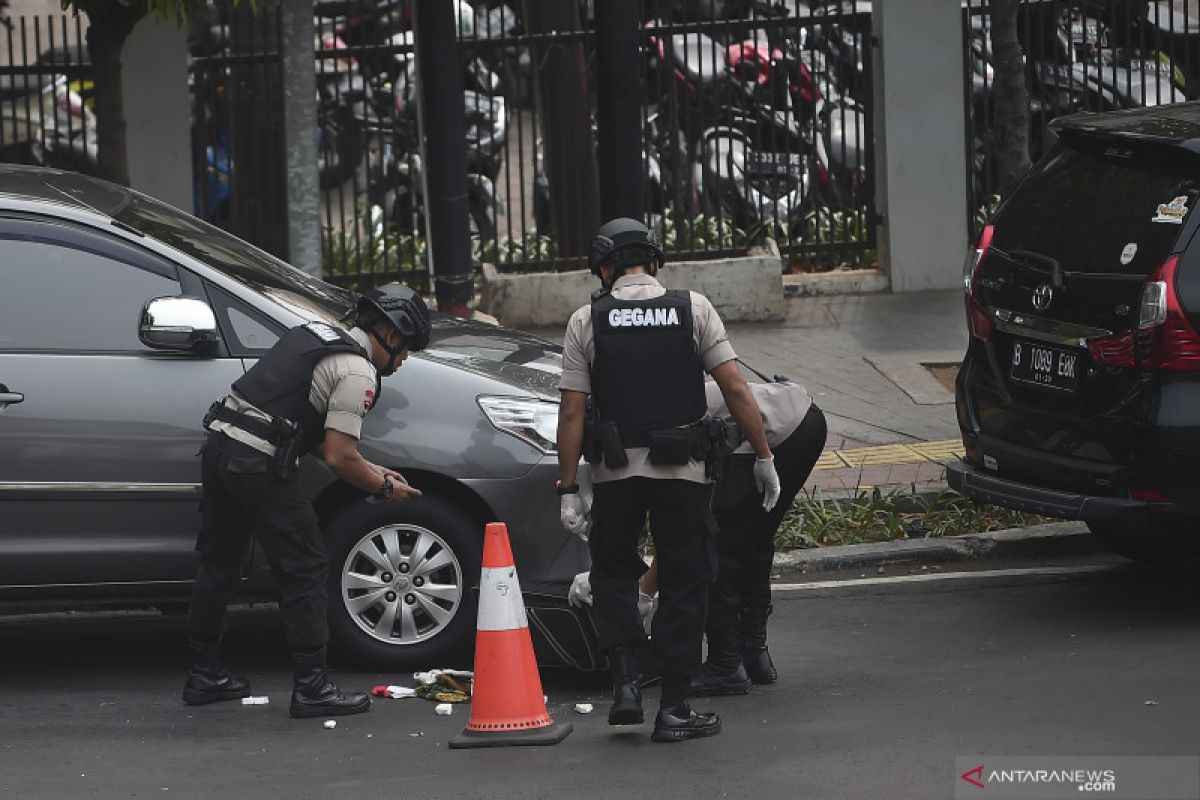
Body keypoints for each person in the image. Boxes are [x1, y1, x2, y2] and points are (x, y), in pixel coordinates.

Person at [556, 217, 780, 743]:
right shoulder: (693, 309)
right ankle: (675, 709)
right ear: (655, 262)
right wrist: (764, 456)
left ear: (605, 268)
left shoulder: (585, 319)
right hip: (685, 474)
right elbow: (737, 389)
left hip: (615, 474)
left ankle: (626, 685)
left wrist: (567, 487)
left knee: (612, 575)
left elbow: (571, 412)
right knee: (684, 581)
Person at [183, 283, 430, 719]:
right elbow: (338, 457)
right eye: (407, 348)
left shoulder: (316, 334)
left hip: (221, 447)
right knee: (307, 566)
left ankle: (204, 674)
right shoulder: (357, 372)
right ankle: (312, 687)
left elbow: (300, 429)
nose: (405, 359)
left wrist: (374, 469)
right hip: (258, 465)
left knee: (218, 563)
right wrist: (385, 488)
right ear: (391, 334)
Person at [690, 377, 827, 695]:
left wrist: (644, 592)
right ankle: (755, 656)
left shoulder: (664, 426)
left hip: (779, 434)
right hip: (808, 421)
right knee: (754, 537)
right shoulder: (672, 402)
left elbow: (689, 522)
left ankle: (726, 664)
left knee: (719, 544)